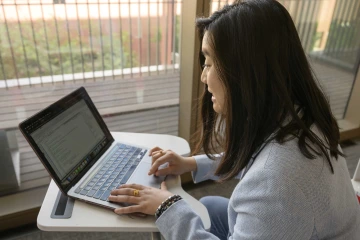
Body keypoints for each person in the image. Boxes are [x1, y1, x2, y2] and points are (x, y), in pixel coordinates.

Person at [108, 0, 360, 239]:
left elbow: (268, 175)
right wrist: (191, 164)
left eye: (208, 63)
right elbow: (256, 160)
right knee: (206, 205)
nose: (204, 77)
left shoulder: (277, 183)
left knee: (189, 211)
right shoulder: (300, 117)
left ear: (243, 72)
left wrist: (166, 207)